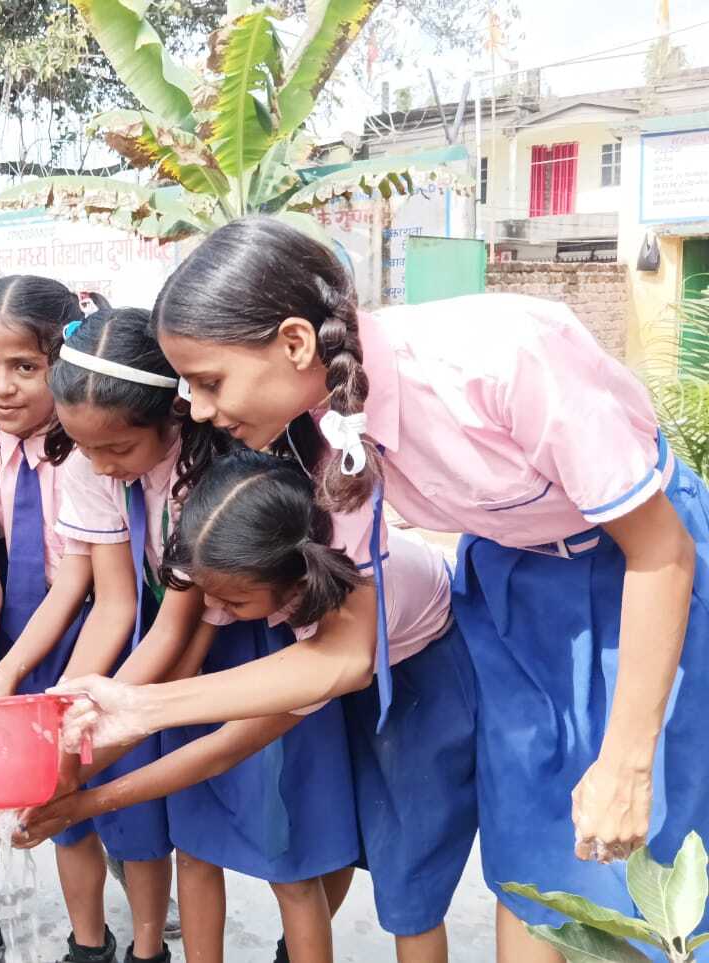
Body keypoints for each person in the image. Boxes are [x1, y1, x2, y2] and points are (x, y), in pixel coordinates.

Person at [54, 215, 706, 961]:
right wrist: (137, 707)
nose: (198, 410)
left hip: (645, 578)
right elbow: (342, 656)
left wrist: (627, 759)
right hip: (511, 590)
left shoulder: (505, 357)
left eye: (209, 381)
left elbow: (661, 548)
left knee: (652, 851)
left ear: (294, 343)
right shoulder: (328, 437)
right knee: (529, 854)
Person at [0, 279, 173, 963]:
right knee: (57, 808)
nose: (1, 386)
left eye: (25, 366)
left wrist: (43, 686)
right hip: (33, 633)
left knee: (131, 810)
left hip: (104, 636)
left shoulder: (89, 446)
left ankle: (149, 945)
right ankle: (88, 942)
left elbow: (92, 586)